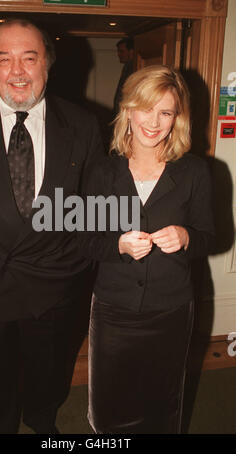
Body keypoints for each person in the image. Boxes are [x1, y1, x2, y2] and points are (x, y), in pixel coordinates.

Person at [0, 19, 103, 434]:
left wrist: (83, 267)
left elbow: (95, 206)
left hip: (55, 276)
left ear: (47, 64)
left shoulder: (82, 124)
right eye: (4, 59)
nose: (17, 71)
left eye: (29, 58)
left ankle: (41, 418)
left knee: (49, 366)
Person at [80, 65, 214, 434]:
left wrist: (186, 237)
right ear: (128, 110)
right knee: (110, 404)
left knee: (162, 402)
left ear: (177, 118)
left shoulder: (195, 172)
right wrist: (118, 244)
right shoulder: (102, 173)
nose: (153, 122)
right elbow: (84, 240)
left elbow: (209, 236)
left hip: (170, 310)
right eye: (145, 108)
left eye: (165, 112)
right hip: (113, 309)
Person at [113, 37, 134, 117]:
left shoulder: (133, 67)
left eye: (121, 51)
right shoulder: (127, 66)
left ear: (131, 52)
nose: (118, 54)